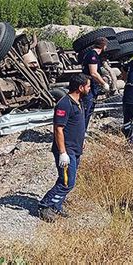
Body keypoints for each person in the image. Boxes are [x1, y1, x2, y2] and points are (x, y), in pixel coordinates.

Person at [38, 74, 90, 222]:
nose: (89, 88)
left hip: (76, 148)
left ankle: (56, 205)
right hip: (67, 150)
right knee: (67, 182)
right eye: (88, 86)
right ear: (80, 88)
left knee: (66, 179)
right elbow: (58, 129)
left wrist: (82, 139)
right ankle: (45, 205)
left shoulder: (79, 102)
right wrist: (62, 153)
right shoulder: (64, 104)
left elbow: (76, 125)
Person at [81, 37, 109, 130]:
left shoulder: (94, 54)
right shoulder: (92, 55)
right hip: (89, 85)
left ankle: (83, 130)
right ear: (103, 46)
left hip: (92, 85)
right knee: (86, 108)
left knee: (90, 108)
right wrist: (103, 83)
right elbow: (93, 73)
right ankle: (81, 132)